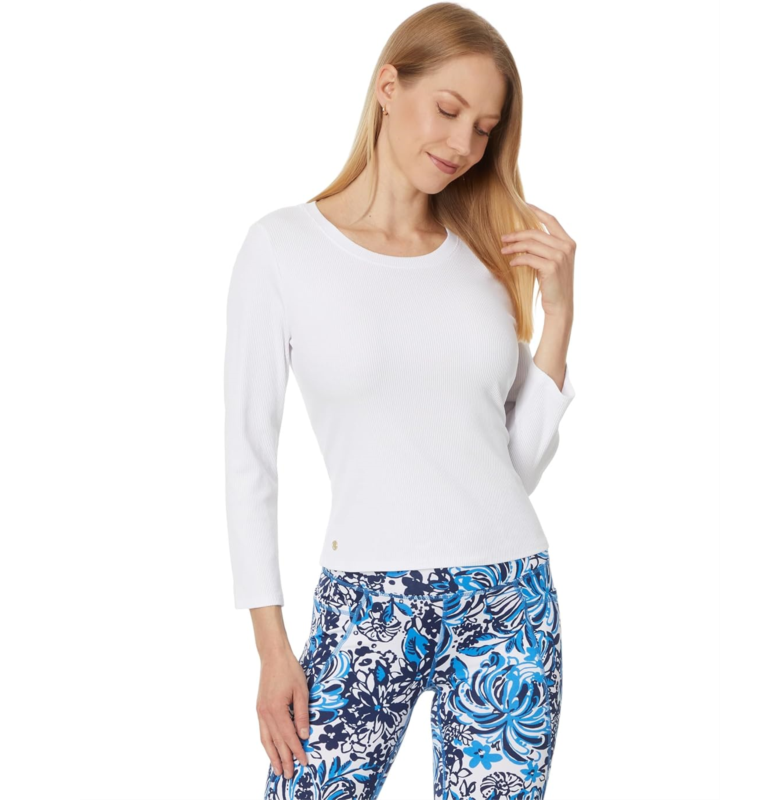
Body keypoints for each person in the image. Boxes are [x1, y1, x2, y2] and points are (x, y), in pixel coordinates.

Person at [223, 4, 577, 798]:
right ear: (389, 87)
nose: (463, 145)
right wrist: (271, 647)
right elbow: (249, 459)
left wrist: (558, 318)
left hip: (507, 600)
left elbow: (509, 468)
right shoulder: (282, 247)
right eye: (448, 110)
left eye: (483, 128)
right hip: (365, 602)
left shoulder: (484, 259)